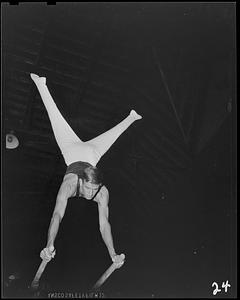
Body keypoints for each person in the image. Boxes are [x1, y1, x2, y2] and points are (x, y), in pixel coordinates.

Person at [30, 73, 142, 291]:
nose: (92, 192)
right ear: (82, 180)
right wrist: (49, 243)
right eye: (89, 188)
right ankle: (41, 84)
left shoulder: (102, 191)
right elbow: (57, 215)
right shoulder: (70, 183)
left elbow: (104, 225)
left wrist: (113, 253)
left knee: (112, 135)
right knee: (56, 119)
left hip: (92, 156)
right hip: (72, 151)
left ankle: (131, 117)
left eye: (95, 188)